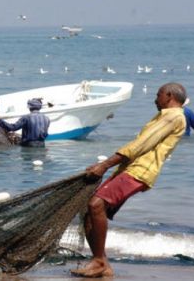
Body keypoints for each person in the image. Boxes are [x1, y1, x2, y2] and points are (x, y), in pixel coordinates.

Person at [72, 82, 187, 277]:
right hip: (129, 169)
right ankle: (103, 264)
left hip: (139, 172)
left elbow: (140, 146)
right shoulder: (164, 116)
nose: (154, 99)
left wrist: (104, 165)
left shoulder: (173, 117)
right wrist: (107, 166)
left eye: (158, 95)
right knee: (90, 211)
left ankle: (99, 261)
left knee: (96, 204)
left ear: (169, 96)